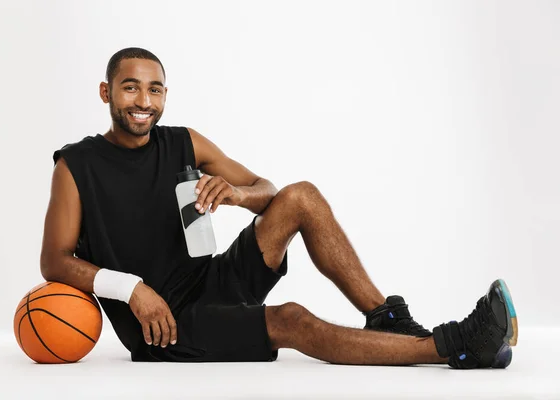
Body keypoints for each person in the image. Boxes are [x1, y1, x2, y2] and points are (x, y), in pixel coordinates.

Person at [40, 47, 518, 368]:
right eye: (130, 87)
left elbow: (265, 188)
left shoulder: (182, 141)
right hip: (164, 325)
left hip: (212, 281)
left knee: (300, 195)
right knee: (290, 318)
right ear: (107, 93)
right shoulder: (77, 165)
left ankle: (388, 319)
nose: (143, 101)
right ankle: (454, 347)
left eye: (155, 89)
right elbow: (54, 260)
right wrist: (133, 290)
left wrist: (236, 194)